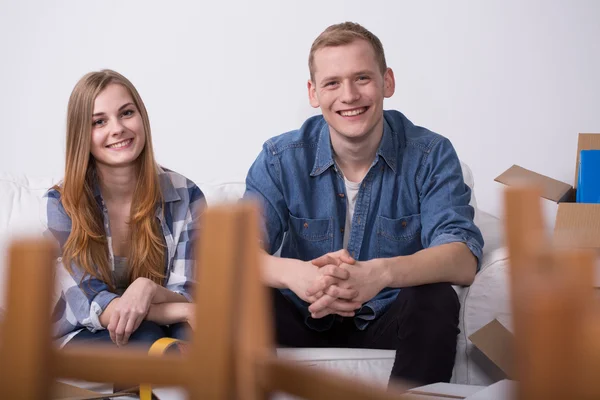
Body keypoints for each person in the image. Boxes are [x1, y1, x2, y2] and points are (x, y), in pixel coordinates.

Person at [244, 22, 484, 385]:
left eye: (362, 78)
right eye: (332, 83)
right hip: (301, 313)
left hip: (387, 315)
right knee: (244, 292)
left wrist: (379, 274)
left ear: (387, 81)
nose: (349, 95)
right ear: (313, 93)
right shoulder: (280, 158)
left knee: (436, 297)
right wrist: (297, 274)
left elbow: (462, 257)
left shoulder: (431, 154)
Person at [44, 69, 205, 349]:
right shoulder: (62, 203)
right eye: (99, 122)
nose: (117, 128)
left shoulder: (186, 194)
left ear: (142, 117)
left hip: (163, 324)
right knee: (149, 340)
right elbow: (91, 303)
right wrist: (181, 310)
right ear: (81, 134)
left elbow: (188, 291)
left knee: (191, 338)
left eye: (127, 113)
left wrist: (148, 288)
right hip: (83, 331)